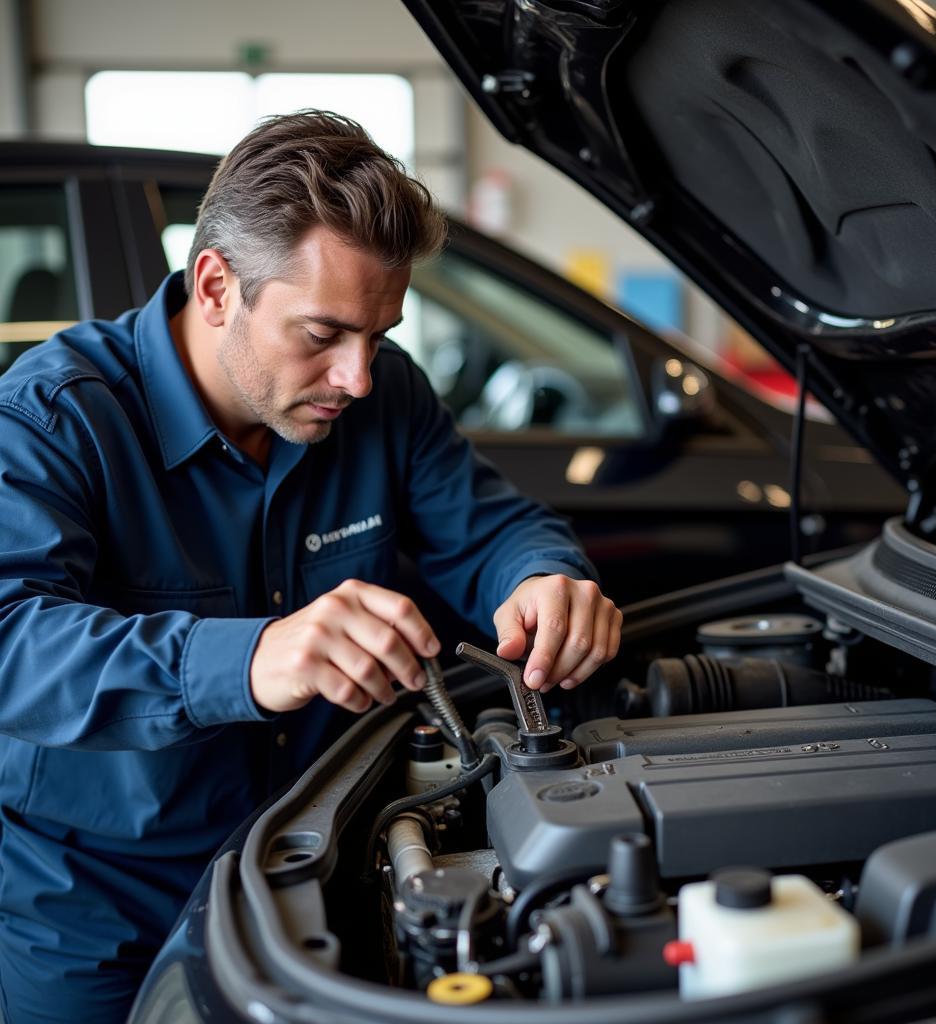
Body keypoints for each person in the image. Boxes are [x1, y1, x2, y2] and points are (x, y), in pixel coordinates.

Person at [0, 110, 621, 1021]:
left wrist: (540, 577)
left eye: (379, 334)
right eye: (323, 333)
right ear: (216, 285)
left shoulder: (384, 394)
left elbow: (490, 528)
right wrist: (250, 659)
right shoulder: (51, 418)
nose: (358, 377)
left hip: (309, 861)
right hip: (90, 906)